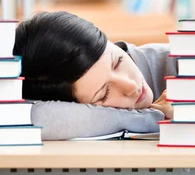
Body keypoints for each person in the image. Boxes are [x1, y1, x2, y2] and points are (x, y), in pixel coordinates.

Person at [12, 11, 176, 140]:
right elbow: (38, 117)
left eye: (117, 62)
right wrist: (154, 118)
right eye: (104, 94)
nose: (131, 86)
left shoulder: (183, 60)